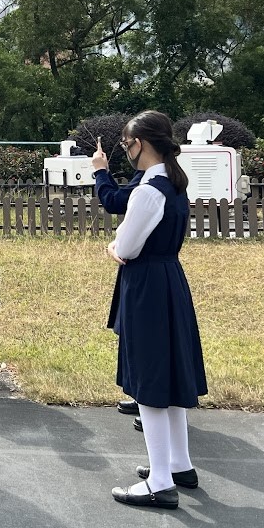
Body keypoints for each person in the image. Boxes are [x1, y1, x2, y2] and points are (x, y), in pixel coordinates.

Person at [104, 110, 207, 510]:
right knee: (169, 374)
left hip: (147, 286)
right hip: (170, 281)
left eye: (126, 144)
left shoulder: (148, 190)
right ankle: (178, 465)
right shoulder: (173, 183)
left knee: (149, 380)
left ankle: (161, 482)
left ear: (140, 144)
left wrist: (113, 248)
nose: (125, 151)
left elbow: (127, 247)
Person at [91, 137, 144, 425]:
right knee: (140, 339)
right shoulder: (162, 177)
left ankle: (150, 402)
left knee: (144, 341)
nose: (126, 149)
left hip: (145, 273)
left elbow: (114, 202)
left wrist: (100, 172)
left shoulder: (150, 184)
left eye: (128, 144)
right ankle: (144, 399)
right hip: (150, 271)